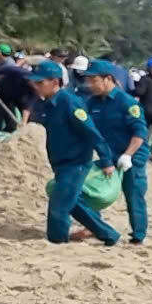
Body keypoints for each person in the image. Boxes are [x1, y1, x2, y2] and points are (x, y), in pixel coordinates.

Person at [25, 60, 119, 246]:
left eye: (40, 82)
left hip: (75, 163)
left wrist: (106, 160)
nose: (36, 86)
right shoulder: (48, 104)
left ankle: (57, 241)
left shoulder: (69, 103)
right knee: (73, 203)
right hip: (60, 163)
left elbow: (92, 133)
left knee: (58, 207)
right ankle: (109, 234)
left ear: (55, 82)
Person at [83, 58, 152, 243]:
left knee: (133, 194)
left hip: (132, 155)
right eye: (88, 80)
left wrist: (128, 155)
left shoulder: (127, 102)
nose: (90, 85)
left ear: (108, 79)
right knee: (89, 189)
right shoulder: (92, 103)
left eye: (94, 80)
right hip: (108, 155)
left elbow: (139, 134)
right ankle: (94, 226)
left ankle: (138, 235)